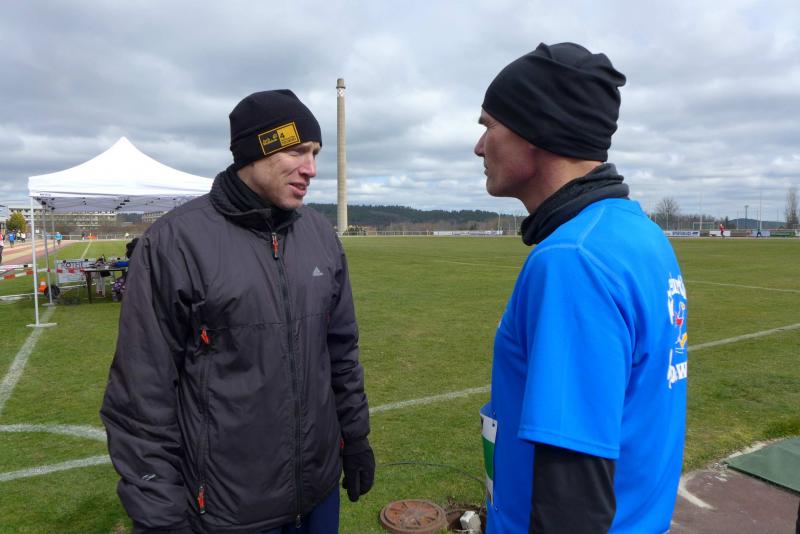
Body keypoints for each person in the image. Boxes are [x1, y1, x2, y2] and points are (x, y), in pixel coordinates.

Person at [101, 90, 373, 534]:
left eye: (316, 153)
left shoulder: (320, 236)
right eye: (297, 151)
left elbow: (341, 354)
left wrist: (356, 438)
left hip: (318, 495)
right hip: (228, 510)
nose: (311, 169)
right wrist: (159, 514)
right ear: (256, 149)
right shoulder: (175, 244)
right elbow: (141, 393)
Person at [474, 43, 687, 533]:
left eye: (489, 126)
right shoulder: (640, 233)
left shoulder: (572, 259)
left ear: (536, 129)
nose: (480, 147)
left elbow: (572, 504)